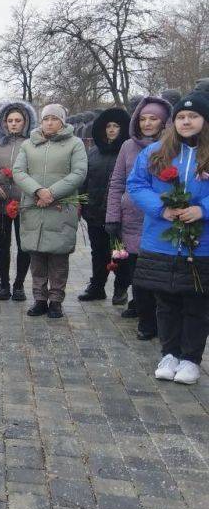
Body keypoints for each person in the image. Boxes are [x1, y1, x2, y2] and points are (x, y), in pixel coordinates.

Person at [128, 90, 209, 385]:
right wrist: (162, 209)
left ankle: (190, 359)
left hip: (201, 245)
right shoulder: (157, 153)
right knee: (166, 301)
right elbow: (136, 185)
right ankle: (170, 353)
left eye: (193, 116)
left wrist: (202, 210)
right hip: (161, 240)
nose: (186, 121)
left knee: (197, 303)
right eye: (181, 117)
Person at [106, 95, 172, 339]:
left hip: (161, 221)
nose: (147, 123)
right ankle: (145, 318)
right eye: (143, 119)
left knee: (159, 275)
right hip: (131, 220)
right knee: (137, 274)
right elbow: (117, 183)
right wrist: (113, 216)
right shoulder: (127, 147)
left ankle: (157, 317)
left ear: (164, 122)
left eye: (153, 119)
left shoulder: (174, 147)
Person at [13, 103, 88, 319]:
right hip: (34, 207)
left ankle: (56, 300)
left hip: (60, 207)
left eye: (54, 119)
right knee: (36, 257)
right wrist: (37, 191)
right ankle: (39, 299)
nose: (49, 122)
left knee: (58, 258)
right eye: (46, 119)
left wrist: (51, 193)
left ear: (62, 122)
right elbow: (19, 171)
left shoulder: (75, 144)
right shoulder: (29, 145)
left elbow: (79, 173)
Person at [0, 100, 37, 301]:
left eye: (18, 120)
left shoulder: (32, 144)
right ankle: (4, 284)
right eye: (10, 120)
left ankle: (19, 285)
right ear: (3, 123)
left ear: (26, 122)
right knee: (2, 244)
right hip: (2, 203)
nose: (14, 124)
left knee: (24, 245)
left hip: (25, 203)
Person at [78, 107, 131, 303]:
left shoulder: (127, 151)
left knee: (119, 252)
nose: (111, 130)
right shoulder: (93, 153)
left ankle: (120, 288)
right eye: (108, 126)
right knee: (98, 251)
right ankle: (97, 286)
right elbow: (85, 180)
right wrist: (83, 203)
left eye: (115, 126)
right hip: (94, 211)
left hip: (119, 214)